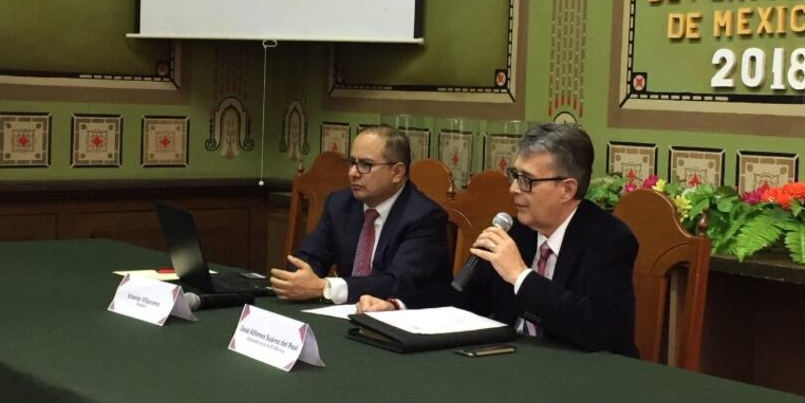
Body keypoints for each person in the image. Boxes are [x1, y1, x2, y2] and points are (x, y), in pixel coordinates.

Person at [357, 123, 639, 357]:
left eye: (527, 180)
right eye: (514, 175)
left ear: (566, 189)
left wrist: (520, 276)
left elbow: (600, 329)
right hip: (513, 363)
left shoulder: (609, 240)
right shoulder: (517, 230)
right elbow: (465, 297)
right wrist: (396, 305)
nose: (514, 188)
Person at [270, 125, 452, 303]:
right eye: (352, 163)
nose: (353, 173)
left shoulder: (425, 217)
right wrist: (299, 278)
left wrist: (326, 288)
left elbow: (398, 283)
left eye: (366, 165)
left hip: (400, 317)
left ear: (397, 172)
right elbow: (308, 257)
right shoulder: (340, 204)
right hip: (345, 311)